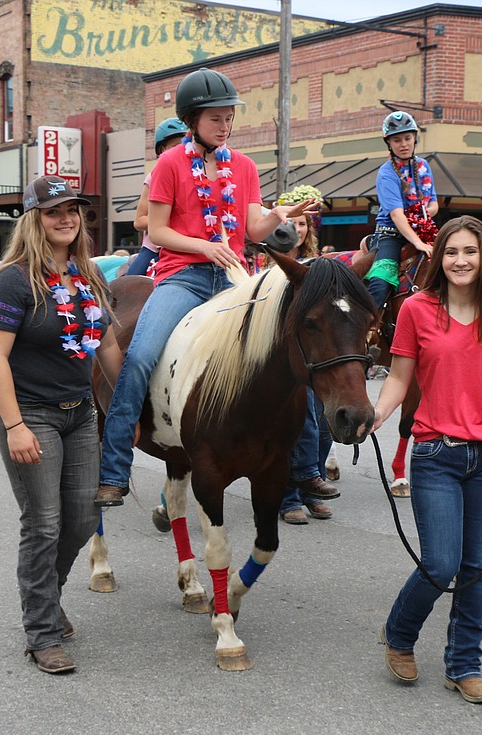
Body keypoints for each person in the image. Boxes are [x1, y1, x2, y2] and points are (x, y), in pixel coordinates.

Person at [95, 68, 318, 507]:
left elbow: (252, 228)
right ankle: (115, 468)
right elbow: (156, 231)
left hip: (233, 278)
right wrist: (204, 246)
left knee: (290, 351)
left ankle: (305, 470)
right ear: (193, 119)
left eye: (229, 117)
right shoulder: (169, 164)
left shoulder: (245, 166)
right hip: (183, 277)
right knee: (138, 356)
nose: (226, 125)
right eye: (217, 118)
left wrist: (278, 214)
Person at [371, 215, 482, 705]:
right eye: (451, 252)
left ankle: (464, 664)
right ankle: (400, 634)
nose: (460, 260)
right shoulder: (416, 310)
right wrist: (378, 415)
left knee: (476, 568)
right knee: (440, 563)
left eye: (470, 251)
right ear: (439, 258)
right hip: (435, 453)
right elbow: (400, 378)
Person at [0, 174, 124, 674]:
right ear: (33, 219)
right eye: (53, 211)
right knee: (43, 524)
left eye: (73, 210)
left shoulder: (89, 275)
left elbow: (106, 347)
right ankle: (41, 632)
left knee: (84, 518)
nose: (66, 218)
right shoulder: (14, 278)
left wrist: (129, 404)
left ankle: (48, 596)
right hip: (30, 414)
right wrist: (15, 425)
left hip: (79, 414)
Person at [273, 193, 339, 525]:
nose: (296, 229)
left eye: (302, 223)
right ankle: (288, 498)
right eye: (291, 222)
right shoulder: (265, 261)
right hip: (277, 358)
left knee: (323, 426)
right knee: (298, 424)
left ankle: (310, 489)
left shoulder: (319, 265)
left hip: (311, 355)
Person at [364, 110, 439, 310]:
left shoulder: (423, 165)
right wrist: (417, 242)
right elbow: (396, 215)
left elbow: (434, 205)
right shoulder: (386, 173)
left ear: (415, 138)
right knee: (381, 281)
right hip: (391, 234)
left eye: (407, 138)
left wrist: (421, 218)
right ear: (389, 143)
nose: (403, 144)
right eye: (397, 140)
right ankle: (370, 328)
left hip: (423, 230)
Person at [127, 117, 190, 278]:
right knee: (129, 284)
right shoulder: (153, 177)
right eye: (176, 146)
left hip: (188, 248)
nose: (182, 151)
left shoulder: (198, 178)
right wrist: (165, 223)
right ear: (162, 149)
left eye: (186, 146)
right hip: (154, 249)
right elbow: (139, 220)